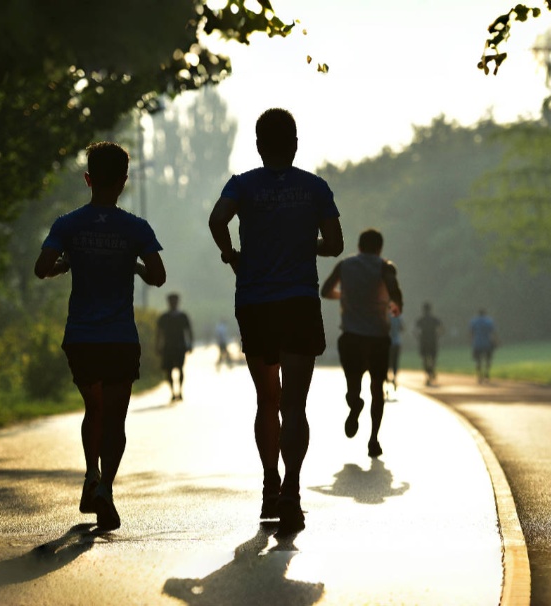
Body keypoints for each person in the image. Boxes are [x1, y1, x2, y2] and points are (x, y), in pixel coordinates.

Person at [208, 108, 344, 534]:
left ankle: (269, 483)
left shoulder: (242, 184)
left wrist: (232, 256)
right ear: (296, 143)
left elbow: (217, 220)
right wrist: (304, 245)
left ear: (258, 145)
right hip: (299, 302)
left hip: (256, 302)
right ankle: (291, 492)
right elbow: (335, 244)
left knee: (267, 399)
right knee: (295, 404)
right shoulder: (315, 187)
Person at [34, 142, 166, 531]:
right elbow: (158, 276)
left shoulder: (68, 224)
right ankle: (106, 487)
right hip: (120, 337)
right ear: (124, 181)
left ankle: (91, 474)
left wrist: (65, 264)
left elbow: (42, 268)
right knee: (116, 418)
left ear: (88, 178)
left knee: (93, 409)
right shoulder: (135, 228)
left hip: (81, 336)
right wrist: (136, 267)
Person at [321, 228, 404, 458]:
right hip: (378, 337)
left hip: (351, 337)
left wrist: (345, 295)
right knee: (378, 388)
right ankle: (374, 439)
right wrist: (395, 305)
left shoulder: (345, 265)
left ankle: (354, 404)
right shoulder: (385, 266)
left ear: (359, 247)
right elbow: (395, 292)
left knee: (353, 385)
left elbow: (325, 290)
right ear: (379, 248)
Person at [156, 293, 192, 401]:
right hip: (167, 347)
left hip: (180, 347)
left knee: (180, 368)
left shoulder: (183, 316)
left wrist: (190, 344)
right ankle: (172, 391)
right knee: (168, 371)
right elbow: (159, 333)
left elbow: (188, 331)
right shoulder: (164, 317)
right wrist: (158, 345)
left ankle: (180, 391)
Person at [415, 303, 443, 386]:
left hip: (424, 341)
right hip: (433, 341)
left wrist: (418, 337)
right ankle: (431, 371)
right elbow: (442, 328)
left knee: (425, 359)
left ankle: (428, 373)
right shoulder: (434, 319)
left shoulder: (421, 320)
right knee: (433, 358)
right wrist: (438, 335)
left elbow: (414, 330)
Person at [470, 308, 498, 384]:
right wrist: (495, 341)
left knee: (478, 360)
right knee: (488, 359)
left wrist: (472, 341)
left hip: (477, 343)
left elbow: (471, 332)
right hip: (487, 343)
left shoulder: (474, 321)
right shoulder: (489, 321)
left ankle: (479, 375)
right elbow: (493, 332)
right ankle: (487, 373)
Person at [388, 311, 404, 394]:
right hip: (396, 342)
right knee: (395, 361)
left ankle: (387, 377)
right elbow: (402, 328)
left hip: (387, 343)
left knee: (387, 362)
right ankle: (394, 377)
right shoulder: (398, 316)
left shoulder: (386, 315)